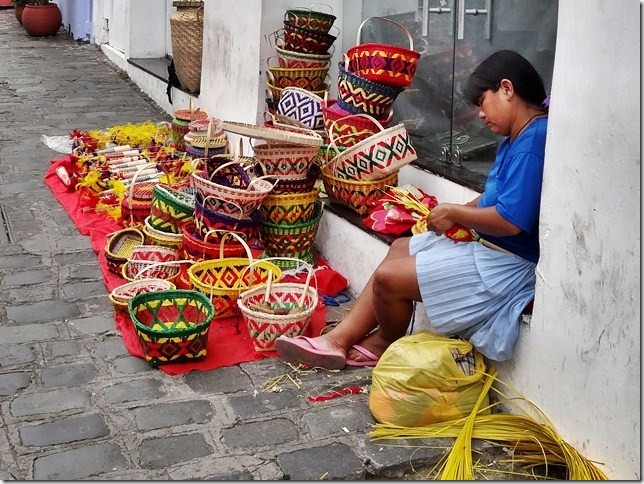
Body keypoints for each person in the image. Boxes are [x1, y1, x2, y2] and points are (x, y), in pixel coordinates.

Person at [275, 50, 549, 369]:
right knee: (401, 247)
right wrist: (453, 213)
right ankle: (337, 341)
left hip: (508, 264)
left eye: (481, 102)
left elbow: (511, 221)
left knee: (390, 279)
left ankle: (383, 343)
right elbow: (492, 198)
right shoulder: (516, 137)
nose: (480, 115)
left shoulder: (533, 141)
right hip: (493, 247)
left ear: (506, 89)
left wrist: (457, 215)